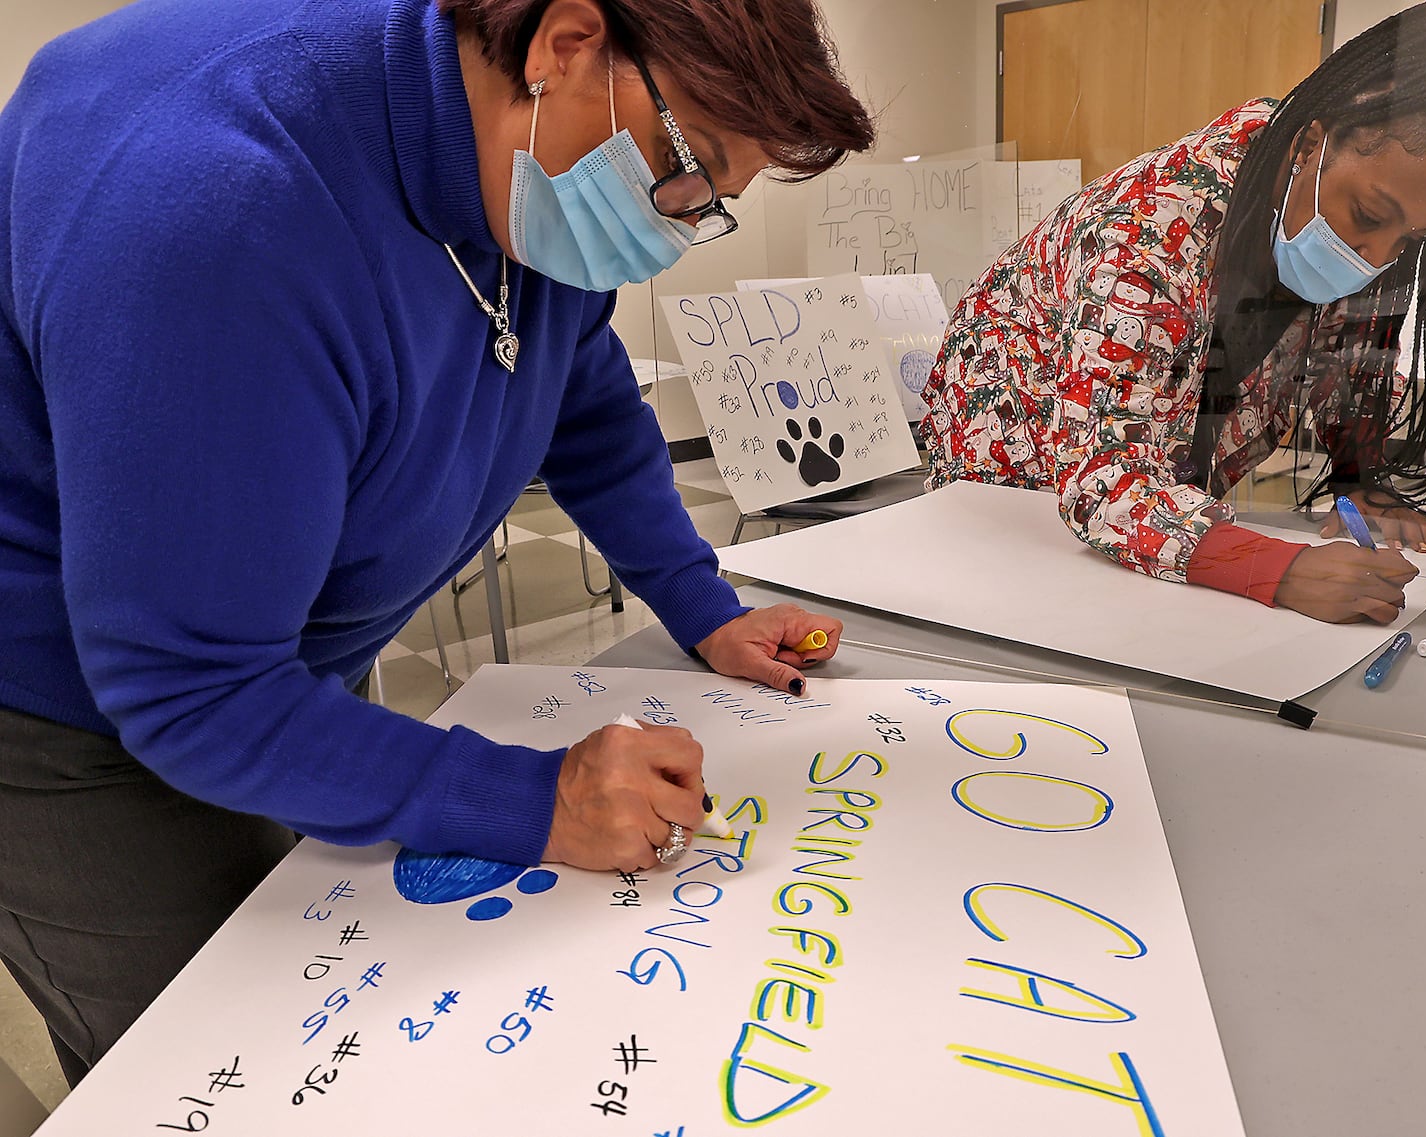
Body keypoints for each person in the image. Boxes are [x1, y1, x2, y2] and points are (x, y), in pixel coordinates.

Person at [0, 0, 871, 1084]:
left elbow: (585, 409)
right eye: (685, 172)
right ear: (567, 42)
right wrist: (533, 801)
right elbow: (189, 688)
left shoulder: (529, 160)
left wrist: (707, 609)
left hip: (262, 646)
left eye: (712, 208)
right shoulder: (219, 203)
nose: (673, 229)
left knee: (328, 950)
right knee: (221, 1061)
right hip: (56, 703)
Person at [922, 0, 1426, 625]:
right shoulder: (1149, 231)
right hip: (1009, 507)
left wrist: (1359, 483)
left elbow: (1346, 359)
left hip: (1153, 516)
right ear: (1310, 145)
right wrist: (1276, 568)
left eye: (1407, 241)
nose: (1375, 258)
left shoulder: (1317, 195)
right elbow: (1104, 481)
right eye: (1371, 218)